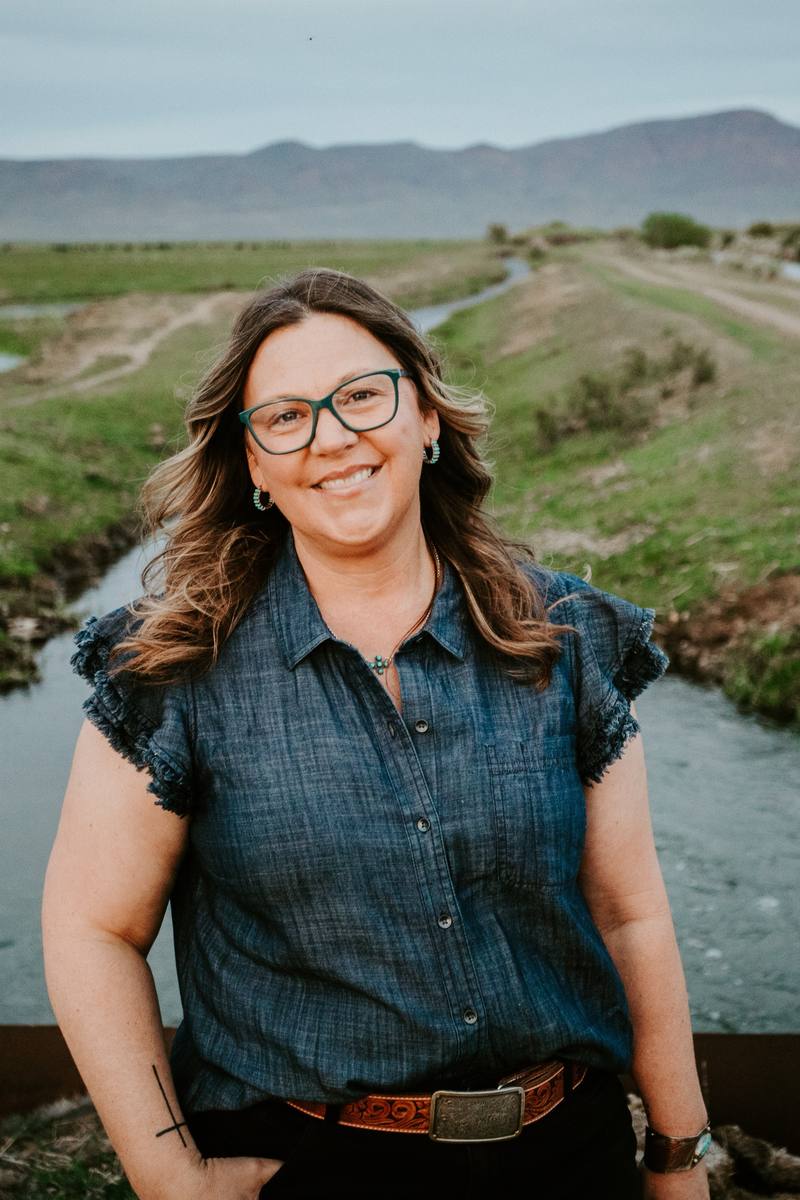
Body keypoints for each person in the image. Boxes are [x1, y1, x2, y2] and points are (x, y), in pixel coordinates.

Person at [43, 266, 711, 1200]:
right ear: (254, 465)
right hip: (311, 1165)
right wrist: (167, 1173)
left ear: (427, 419)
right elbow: (92, 929)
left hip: (570, 1157)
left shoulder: (564, 633)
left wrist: (678, 1158)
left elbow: (630, 913)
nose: (334, 438)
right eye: (286, 417)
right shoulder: (170, 666)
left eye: (363, 395)